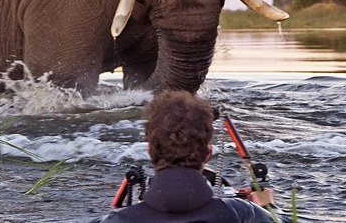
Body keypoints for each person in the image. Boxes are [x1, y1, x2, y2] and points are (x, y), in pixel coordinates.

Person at [90, 90, 290, 223]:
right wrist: (268, 206)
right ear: (208, 153)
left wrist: (116, 212)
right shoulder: (241, 213)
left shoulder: (117, 220)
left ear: (150, 152)